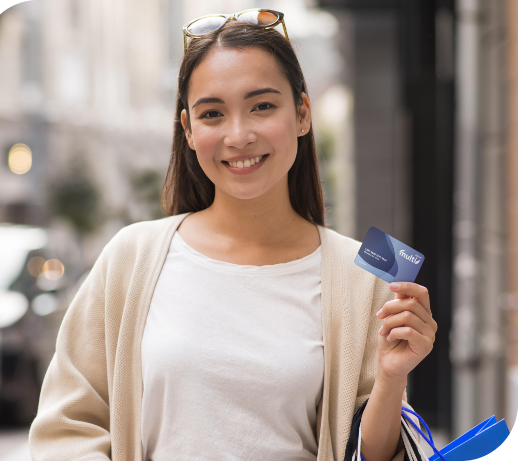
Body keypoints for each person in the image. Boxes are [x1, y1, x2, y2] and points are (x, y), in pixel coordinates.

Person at [29, 9, 437, 461]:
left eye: (262, 106)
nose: (238, 135)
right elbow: (67, 426)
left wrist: (392, 376)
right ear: (187, 129)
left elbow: (372, 454)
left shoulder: (362, 274)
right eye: (212, 114)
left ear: (302, 114)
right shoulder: (132, 256)